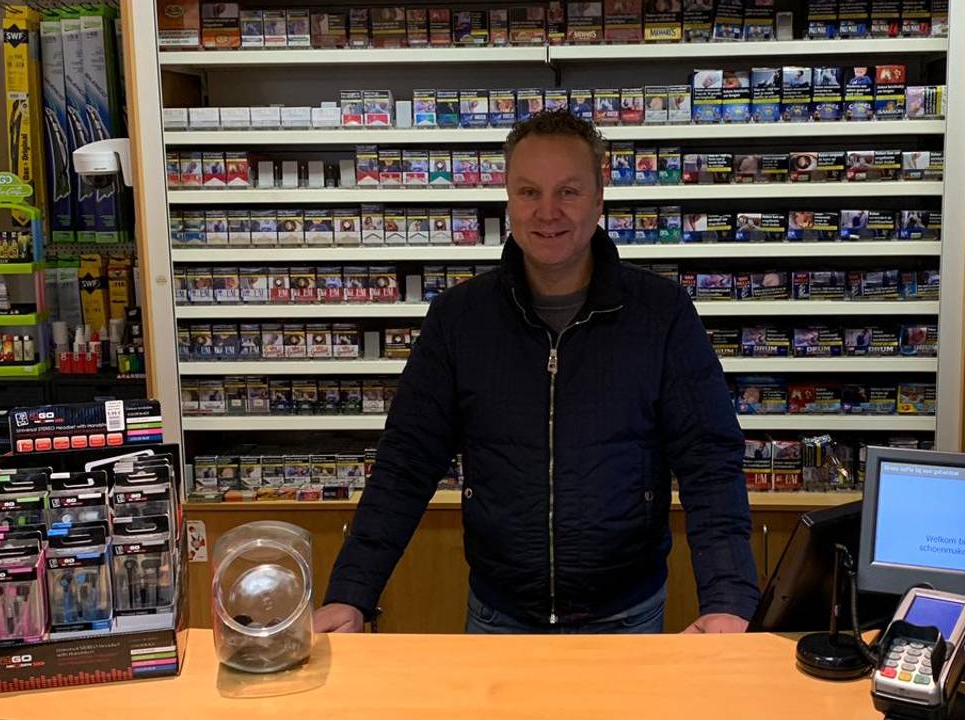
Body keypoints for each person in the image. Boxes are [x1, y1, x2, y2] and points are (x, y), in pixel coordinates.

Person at [314, 110, 759, 635]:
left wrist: (729, 598)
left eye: (568, 191)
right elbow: (405, 463)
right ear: (507, 197)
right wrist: (350, 594)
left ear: (599, 196)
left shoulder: (661, 314)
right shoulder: (460, 319)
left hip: (625, 619)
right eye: (529, 192)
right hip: (499, 618)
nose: (548, 212)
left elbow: (709, 461)